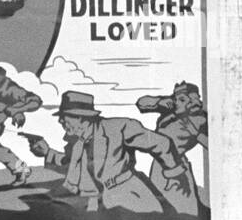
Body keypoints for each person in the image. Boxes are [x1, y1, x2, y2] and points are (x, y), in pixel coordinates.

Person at [26, 91, 192, 213]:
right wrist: (47, 152)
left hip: (129, 196)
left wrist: (174, 172)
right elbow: (72, 163)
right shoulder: (78, 144)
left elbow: (161, 143)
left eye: (65, 117)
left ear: (82, 118)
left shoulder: (118, 127)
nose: (61, 121)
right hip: (98, 202)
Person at [136, 81, 207, 215]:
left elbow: (213, 146)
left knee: (184, 211)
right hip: (158, 165)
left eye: (181, 99)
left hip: (177, 168)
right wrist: (160, 102)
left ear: (193, 101)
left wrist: (195, 133)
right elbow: (141, 103)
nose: (176, 102)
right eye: (175, 98)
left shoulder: (200, 119)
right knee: (159, 210)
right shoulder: (170, 109)